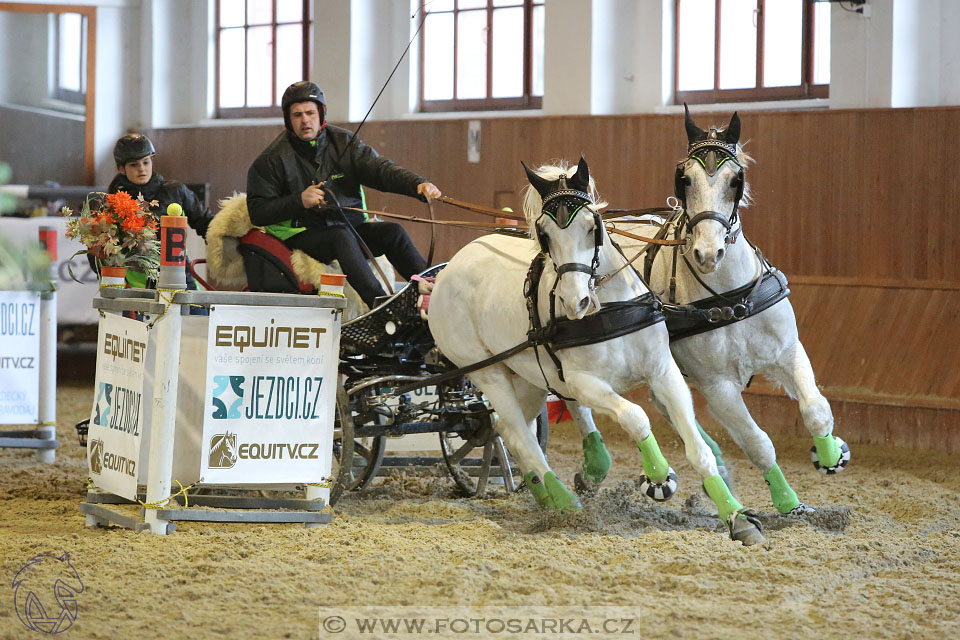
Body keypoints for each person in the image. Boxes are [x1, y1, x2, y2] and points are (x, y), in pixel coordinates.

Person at [246, 80, 441, 308]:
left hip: (349, 227)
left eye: (310, 112)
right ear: (288, 120)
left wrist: (416, 184)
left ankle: (433, 294)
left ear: (321, 114)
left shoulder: (345, 142)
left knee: (393, 232)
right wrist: (299, 200)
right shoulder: (270, 160)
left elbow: (380, 169)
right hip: (303, 234)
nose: (305, 120)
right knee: (340, 236)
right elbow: (258, 212)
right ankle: (382, 305)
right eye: (297, 115)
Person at [106, 133, 213, 291]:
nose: (142, 169)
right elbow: (100, 247)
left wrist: (225, 246)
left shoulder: (176, 191)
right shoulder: (113, 202)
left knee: (199, 315)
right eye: (134, 165)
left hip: (181, 277)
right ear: (121, 169)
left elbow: (206, 223)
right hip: (137, 286)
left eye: (146, 162)